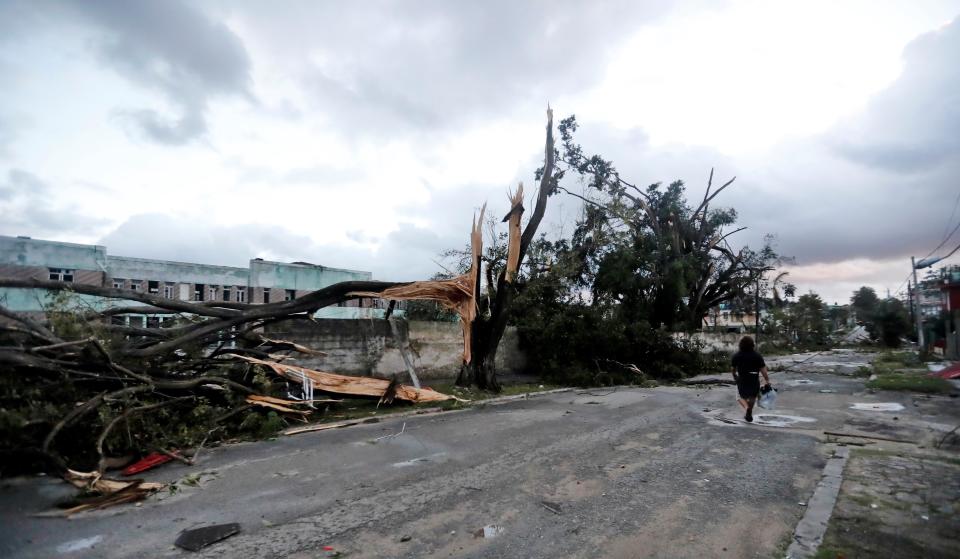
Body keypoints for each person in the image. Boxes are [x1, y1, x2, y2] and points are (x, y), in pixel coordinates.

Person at [731, 335, 770, 422]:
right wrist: (767, 380)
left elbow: (733, 369)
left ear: (741, 345)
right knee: (753, 396)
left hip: (742, 379)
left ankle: (747, 408)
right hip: (754, 380)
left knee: (739, 396)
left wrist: (735, 376)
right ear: (752, 345)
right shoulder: (757, 356)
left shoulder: (736, 356)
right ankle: (749, 412)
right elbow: (763, 370)